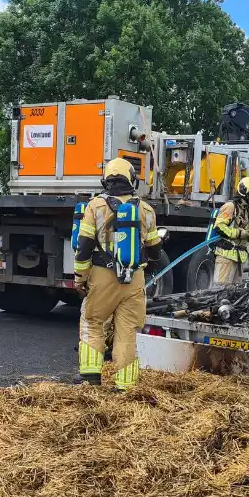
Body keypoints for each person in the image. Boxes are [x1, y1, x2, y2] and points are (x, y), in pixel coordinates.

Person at [74, 158, 168, 390]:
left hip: (102, 275)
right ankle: (125, 386)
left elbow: (84, 245)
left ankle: (90, 378)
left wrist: (80, 277)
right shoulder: (146, 209)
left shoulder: (95, 206)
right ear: (132, 179)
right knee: (127, 332)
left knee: (92, 321)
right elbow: (155, 251)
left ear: (105, 179)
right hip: (134, 278)